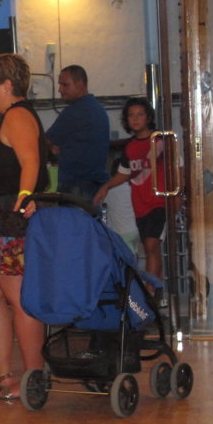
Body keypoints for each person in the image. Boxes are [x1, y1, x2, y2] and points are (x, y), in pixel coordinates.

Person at [0, 53, 50, 400]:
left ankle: (34, 375)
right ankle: (2, 370)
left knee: (19, 299)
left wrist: (25, 197)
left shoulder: (17, 116)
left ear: (6, 84)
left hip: (9, 219)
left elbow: (30, 162)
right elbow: (1, 165)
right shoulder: (11, 117)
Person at [93, 97, 167, 283]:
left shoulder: (160, 141)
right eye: (131, 115)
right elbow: (124, 173)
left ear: (148, 117)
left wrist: (179, 195)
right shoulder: (131, 147)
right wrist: (106, 186)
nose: (135, 119)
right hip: (140, 205)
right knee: (149, 247)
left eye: (140, 115)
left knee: (151, 245)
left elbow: (177, 166)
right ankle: (156, 288)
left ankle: (150, 289)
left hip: (158, 202)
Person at [45, 65, 109, 203]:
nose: (60, 90)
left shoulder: (75, 112)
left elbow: (46, 141)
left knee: (72, 218)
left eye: (65, 85)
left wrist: (52, 148)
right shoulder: (98, 108)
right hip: (95, 183)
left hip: (76, 185)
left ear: (79, 84)